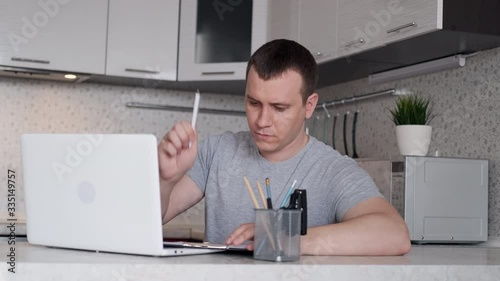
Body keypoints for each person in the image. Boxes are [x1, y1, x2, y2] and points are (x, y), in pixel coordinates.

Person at [158, 39, 411, 256]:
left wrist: (288, 239)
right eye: (254, 102)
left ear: (309, 106)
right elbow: (149, 219)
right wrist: (166, 180)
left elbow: (395, 234)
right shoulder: (217, 152)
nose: (262, 121)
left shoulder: (332, 170)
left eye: (279, 108)